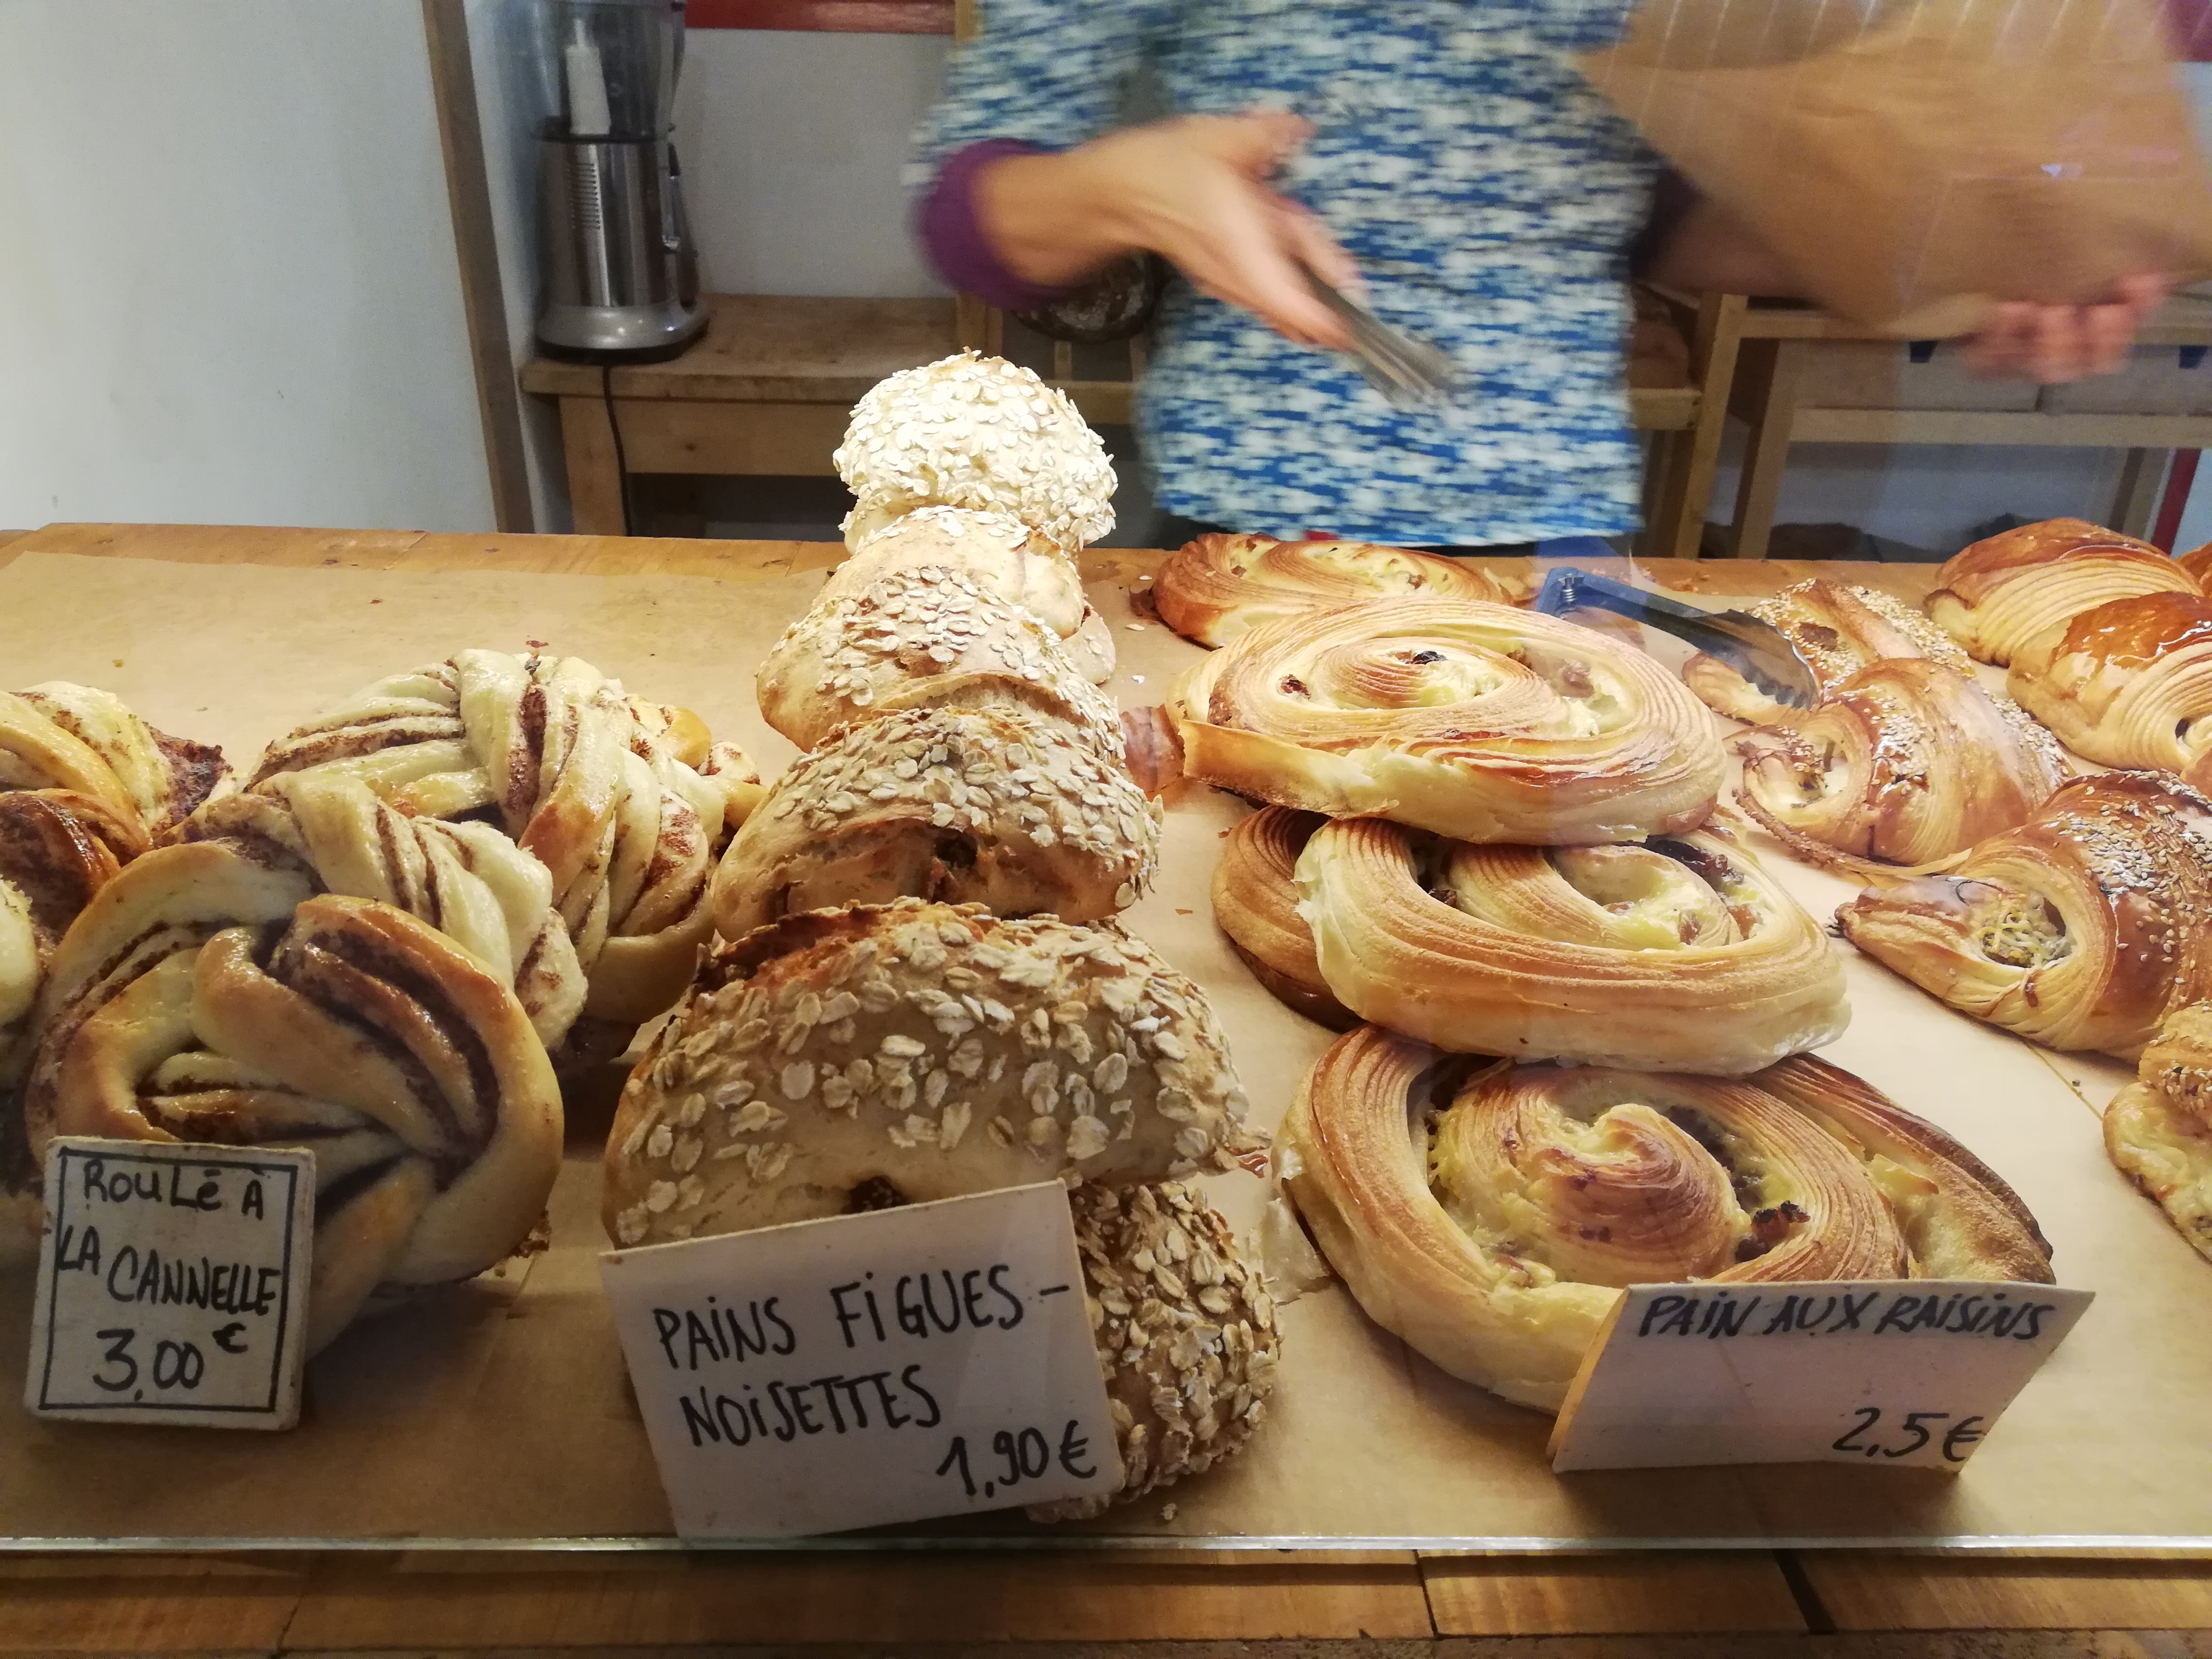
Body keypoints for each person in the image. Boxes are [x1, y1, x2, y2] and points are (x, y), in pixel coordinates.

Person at [910, 1, 2168, 550]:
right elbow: (967, 212)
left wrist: (1968, 262)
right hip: (1254, 531)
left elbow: (1638, 221)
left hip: (1562, 532)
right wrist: (1134, 186)